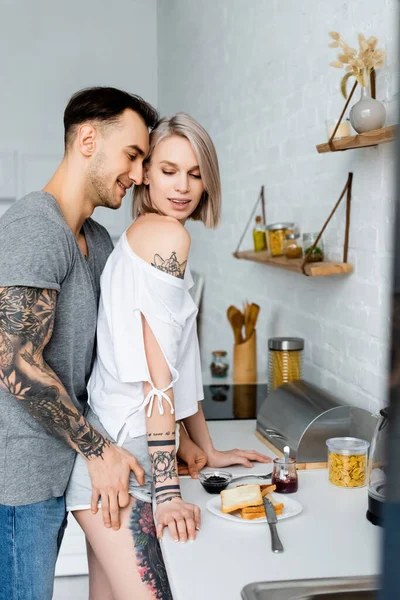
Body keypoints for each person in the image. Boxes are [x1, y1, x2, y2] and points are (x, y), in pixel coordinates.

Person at [66, 112, 271, 600]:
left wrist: (207, 446)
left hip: (111, 460)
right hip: (128, 468)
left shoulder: (142, 234)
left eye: (196, 174)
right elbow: (157, 380)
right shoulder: (169, 240)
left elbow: (174, 366)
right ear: (147, 174)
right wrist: (168, 492)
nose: (183, 186)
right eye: (168, 170)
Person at [0, 87, 161, 600]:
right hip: (18, 482)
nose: (138, 175)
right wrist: (100, 450)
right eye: (133, 156)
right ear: (88, 139)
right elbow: (13, 362)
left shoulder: (99, 241)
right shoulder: (33, 228)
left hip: (62, 468)